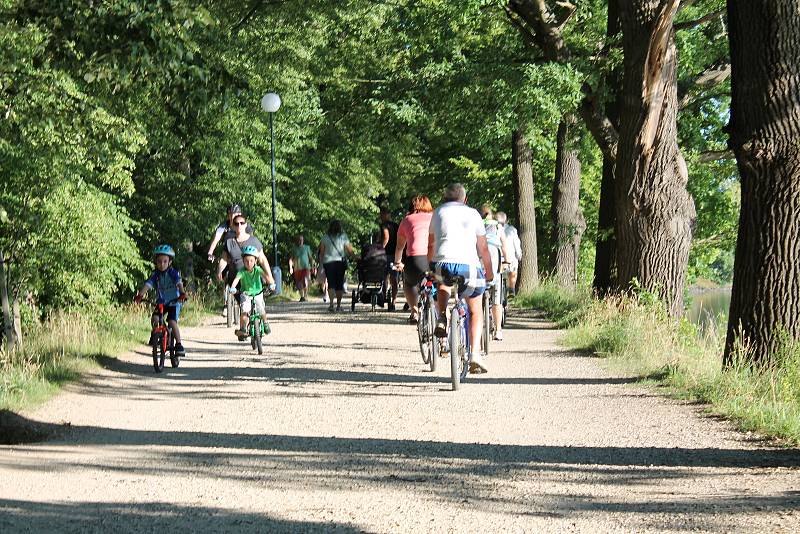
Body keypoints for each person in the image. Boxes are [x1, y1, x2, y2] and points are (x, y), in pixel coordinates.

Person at [429, 183, 494, 373]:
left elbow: (430, 244)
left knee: (443, 284)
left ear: (445, 198)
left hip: (442, 264)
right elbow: (483, 248)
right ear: (464, 199)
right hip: (468, 266)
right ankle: (475, 354)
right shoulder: (473, 214)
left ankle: (442, 317)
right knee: (475, 310)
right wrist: (489, 273)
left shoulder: (438, 212)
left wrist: (429, 266)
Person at [134, 244, 188, 357]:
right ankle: (157, 334)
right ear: (156, 262)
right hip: (161, 302)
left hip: (174, 302)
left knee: (172, 322)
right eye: (159, 261)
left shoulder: (173, 273)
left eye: (165, 261)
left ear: (170, 262)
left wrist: (182, 293)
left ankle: (178, 344)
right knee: (155, 318)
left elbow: (179, 283)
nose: (162, 264)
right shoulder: (156, 275)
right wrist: (140, 295)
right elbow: (148, 285)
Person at [216, 214, 275, 306]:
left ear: (245, 225)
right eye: (236, 224)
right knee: (244, 308)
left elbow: (262, 260)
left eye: (241, 223)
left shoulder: (254, 241)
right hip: (236, 278)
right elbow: (224, 259)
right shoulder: (229, 242)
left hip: (252, 279)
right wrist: (219, 271)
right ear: (233, 226)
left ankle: (260, 317)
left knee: (256, 306)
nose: (239, 225)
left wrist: (270, 278)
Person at [393, 195, 434, 324]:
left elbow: (400, 246)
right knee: (437, 283)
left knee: (409, 283)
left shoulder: (407, 220)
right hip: (434, 258)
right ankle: (441, 314)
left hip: (415, 260)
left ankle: (414, 312)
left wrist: (398, 262)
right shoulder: (435, 218)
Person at [229, 245, 276, 340]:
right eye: (246, 261)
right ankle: (243, 329)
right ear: (243, 261)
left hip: (258, 293)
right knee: (245, 311)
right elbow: (236, 279)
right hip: (246, 294)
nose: (249, 263)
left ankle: (265, 323)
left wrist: (271, 284)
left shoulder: (258, 269)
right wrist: (233, 287)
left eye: (251, 260)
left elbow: (266, 277)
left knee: (261, 310)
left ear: (255, 261)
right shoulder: (242, 272)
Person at [481, 205, 512, 341]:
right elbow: (504, 246)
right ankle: (498, 330)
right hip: (495, 261)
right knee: (497, 298)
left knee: (476, 294)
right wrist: (507, 261)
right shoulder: (498, 227)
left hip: (480, 260)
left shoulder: (477, 225)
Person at [319, 219, 354, 312]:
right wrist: (356, 257)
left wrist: (320, 264)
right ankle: (338, 305)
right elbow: (349, 250)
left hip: (328, 263)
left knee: (331, 283)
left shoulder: (325, 237)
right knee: (339, 284)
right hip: (340, 262)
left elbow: (321, 252)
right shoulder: (343, 237)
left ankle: (331, 305)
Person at [496, 211, 522, 295]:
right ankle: (512, 288)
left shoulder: (492, 229)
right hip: (510, 260)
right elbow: (516, 245)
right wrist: (519, 255)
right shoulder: (512, 230)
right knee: (514, 267)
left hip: (497, 259)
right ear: (506, 220)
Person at [380, 207, 400, 311]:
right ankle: (393, 302)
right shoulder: (396, 225)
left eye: (381, 214)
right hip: (395, 254)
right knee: (394, 279)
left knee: (384, 277)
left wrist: (379, 248)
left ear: (386, 215)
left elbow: (386, 238)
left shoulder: (384, 225)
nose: (380, 216)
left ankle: (383, 297)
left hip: (386, 255)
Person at [289, 234, 313, 302]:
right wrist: (291, 267)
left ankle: (305, 295)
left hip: (306, 267)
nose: (300, 241)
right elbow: (291, 259)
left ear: (303, 241)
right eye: (299, 240)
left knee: (305, 281)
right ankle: (302, 297)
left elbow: (310, 258)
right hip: (297, 268)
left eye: (301, 240)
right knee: (299, 283)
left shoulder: (307, 247)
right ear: (297, 241)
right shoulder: (294, 249)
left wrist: (313, 267)